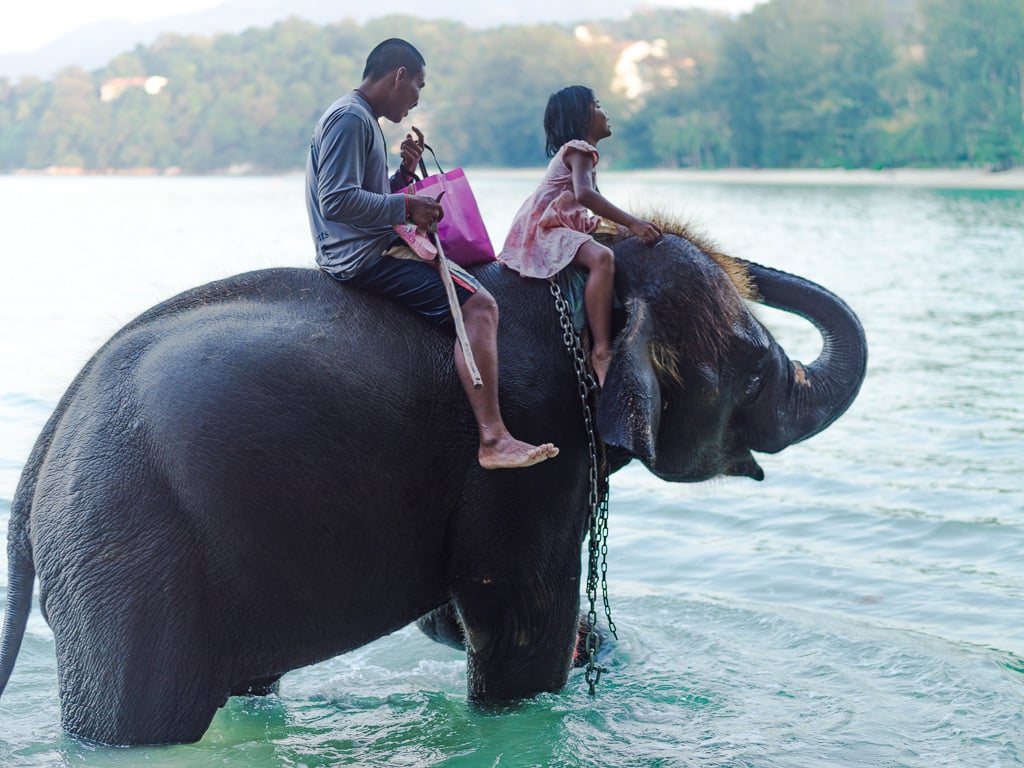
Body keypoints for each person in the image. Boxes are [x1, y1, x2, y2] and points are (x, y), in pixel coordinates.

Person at [305, 38, 557, 470]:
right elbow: (337, 201)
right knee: (480, 305)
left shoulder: (359, 116)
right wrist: (407, 206)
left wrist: (403, 175)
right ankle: (493, 439)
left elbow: (361, 195)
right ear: (398, 75)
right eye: (418, 86)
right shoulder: (350, 119)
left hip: (355, 245)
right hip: (360, 255)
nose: (417, 100)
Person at [500, 85, 663, 387]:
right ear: (581, 117)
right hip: (548, 229)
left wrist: (624, 227)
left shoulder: (582, 154)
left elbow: (596, 202)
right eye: (598, 105)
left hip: (554, 225)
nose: (605, 112)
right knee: (602, 258)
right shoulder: (579, 149)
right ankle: (601, 351)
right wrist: (635, 223)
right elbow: (585, 195)